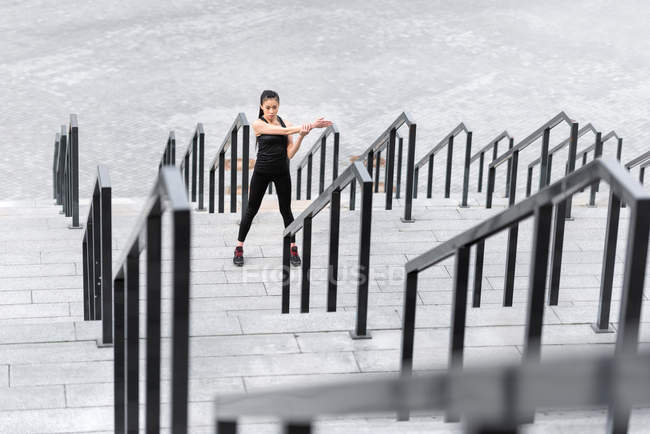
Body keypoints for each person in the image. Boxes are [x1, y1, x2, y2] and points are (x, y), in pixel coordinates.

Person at [234, 90, 333, 266]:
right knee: (251, 210)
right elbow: (283, 131)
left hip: (281, 172)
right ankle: (239, 247)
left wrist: (302, 135)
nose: (271, 111)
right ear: (261, 107)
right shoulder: (258, 124)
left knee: (286, 211)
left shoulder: (285, 123)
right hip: (261, 173)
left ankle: (293, 247)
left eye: (274, 107)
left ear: (278, 106)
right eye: (268, 107)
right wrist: (311, 125)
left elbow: (290, 153)